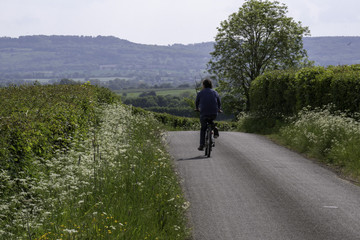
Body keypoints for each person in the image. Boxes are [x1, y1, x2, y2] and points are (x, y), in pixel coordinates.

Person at [195, 78, 221, 151]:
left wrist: (197, 108)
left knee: (203, 128)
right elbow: (219, 102)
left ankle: (201, 145)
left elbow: (197, 102)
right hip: (214, 112)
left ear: (203, 85)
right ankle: (214, 128)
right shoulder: (215, 92)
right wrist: (219, 109)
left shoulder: (200, 93)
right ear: (211, 85)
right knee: (211, 119)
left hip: (203, 112)